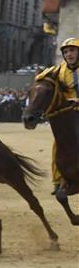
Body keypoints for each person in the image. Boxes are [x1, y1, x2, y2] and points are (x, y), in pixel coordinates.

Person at [41, 38, 79, 192]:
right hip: (70, 116)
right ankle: (59, 180)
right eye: (65, 52)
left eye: (72, 50)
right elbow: (40, 78)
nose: (69, 54)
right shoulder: (59, 70)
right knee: (59, 144)